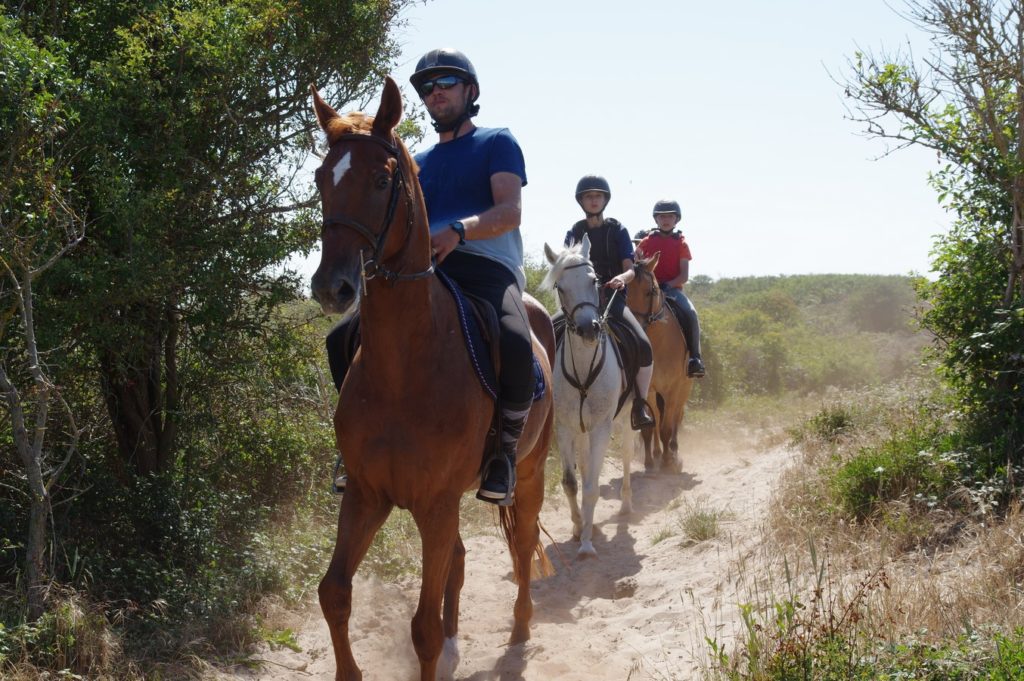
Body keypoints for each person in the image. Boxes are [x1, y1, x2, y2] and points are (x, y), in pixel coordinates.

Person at [325, 48, 533, 506]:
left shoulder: (498, 141)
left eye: (446, 83)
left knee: (516, 341)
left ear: (470, 91)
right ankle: (357, 447)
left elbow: (508, 211)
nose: (435, 92)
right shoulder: (412, 160)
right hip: (424, 273)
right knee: (342, 337)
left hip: (485, 267)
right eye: (427, 87)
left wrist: (459, 230)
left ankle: (502, 452)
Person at [563, 175, 656, 430]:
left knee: (643, 345)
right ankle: (546, 397)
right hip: (581, 300)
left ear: (605, 200)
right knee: (546, 332)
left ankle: (639, 405)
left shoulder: (618, 230)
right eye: (588, 197)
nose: (593, 200)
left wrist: (621, 279)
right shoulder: (575, 231)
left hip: (612, 298)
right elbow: (565, 266)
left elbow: (630, 269)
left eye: (598, 196)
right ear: (581, 201)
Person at [636, 199, 706, 378]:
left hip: (672, 289)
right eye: (662, 216)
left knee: (690, 313)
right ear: (656, 219)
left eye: (670, 216)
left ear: (676, 219)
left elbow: (683, 276)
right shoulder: (645, 242)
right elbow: (637, 267)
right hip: (648, 290)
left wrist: (667, 285)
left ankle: (695, 359)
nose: (666, 220)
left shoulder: (682, 244)